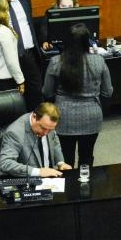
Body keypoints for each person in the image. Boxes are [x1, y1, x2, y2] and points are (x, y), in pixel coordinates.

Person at [42, 23, 113, 167]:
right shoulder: (99, 61)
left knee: (65, 160)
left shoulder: (56, 62)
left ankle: (68, 188)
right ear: (87, 41)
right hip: (91, 117)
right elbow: (108, 92)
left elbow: (46, 92)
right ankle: (85, 187)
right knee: (86, 158)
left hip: (63, 117)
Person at [0, 102, 72, 177]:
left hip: (47, 179)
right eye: (43, 128)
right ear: (34, 117)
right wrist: (38, 172)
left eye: (50, 130)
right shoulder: (15, 132)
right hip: (19, 180)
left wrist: (60, 163)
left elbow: (54, 142)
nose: (46, 133)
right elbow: (5, 163)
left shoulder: (47, 125)